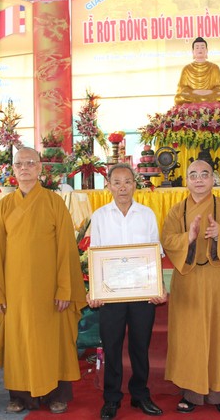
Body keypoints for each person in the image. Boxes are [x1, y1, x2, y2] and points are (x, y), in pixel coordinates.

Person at [0, 147, 86, 414]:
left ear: (39, 168)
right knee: (19, 341)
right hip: (15, 290)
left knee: (52, 340)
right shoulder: (4, 205)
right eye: (19, 164)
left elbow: (66, 249)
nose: (24, 168)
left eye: (30, 163)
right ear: (13, 170)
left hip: (49, 290)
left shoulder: (54, 202)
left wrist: (65, 288)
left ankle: (56, 395)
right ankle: (20, 396)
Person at [162, 160, 220, 414]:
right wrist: (187, 238)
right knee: (189, 335)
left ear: (213, 179)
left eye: (204, 174)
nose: (199, 179)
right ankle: (191, 393)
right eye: (193, 175)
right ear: (186, 180)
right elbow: (167, 240)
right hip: (187, 279)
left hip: (218, 279)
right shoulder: (176, 210)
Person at [87, 163, 166, 419]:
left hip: (142, 292)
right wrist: (95, 291)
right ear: (108, 186)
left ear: (135, 185)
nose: (122, 187)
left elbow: (155, 253)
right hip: (111, 293)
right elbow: (95, 255)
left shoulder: (147, 215)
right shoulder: (100, 216)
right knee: (112, 346)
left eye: (127, 182)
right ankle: (112, 398)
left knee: (140, 345)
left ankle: (140, 394)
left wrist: (159, 286)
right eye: (117, 182)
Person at [174, 37, 220, 105]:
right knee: (179, 97)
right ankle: (207, 103)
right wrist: (194, 92)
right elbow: (182, 88)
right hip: (193, 95)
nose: (200, 50)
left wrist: (210, 92)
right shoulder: (187, 68)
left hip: (210, 94)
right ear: (193, 51)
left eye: (202, 47)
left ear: (206, 50)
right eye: (197, 48)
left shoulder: (214, 67)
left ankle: (199, 102)